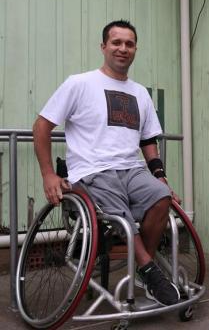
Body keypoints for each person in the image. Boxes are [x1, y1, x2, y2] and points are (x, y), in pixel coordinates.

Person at [32, 19, 180, 306]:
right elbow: (41, 126)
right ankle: (151, 270)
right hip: (92, 171)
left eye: (129, 43)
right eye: (116, 42)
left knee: (162, 197)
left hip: (131, 169)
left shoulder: (141, 94)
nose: (123, 48)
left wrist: (159, 175)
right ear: (104, 47)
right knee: (118, 209)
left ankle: (142, 271)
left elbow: (148, 141)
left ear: (135, 49)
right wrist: (48, 174)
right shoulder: (80, 83)